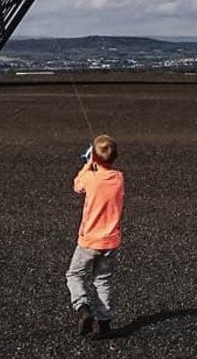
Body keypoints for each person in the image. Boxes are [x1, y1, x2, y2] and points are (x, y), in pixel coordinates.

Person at [66, 134, 124, 340]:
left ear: (95, 159)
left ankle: (83, 308)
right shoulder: (118, 177)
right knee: (103, 280)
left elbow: (77, 185)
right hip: (111, 241)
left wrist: (87, 165)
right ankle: (104, 324)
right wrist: (96, 162)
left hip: (89, 240)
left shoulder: (90, 178)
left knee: (74, 275)